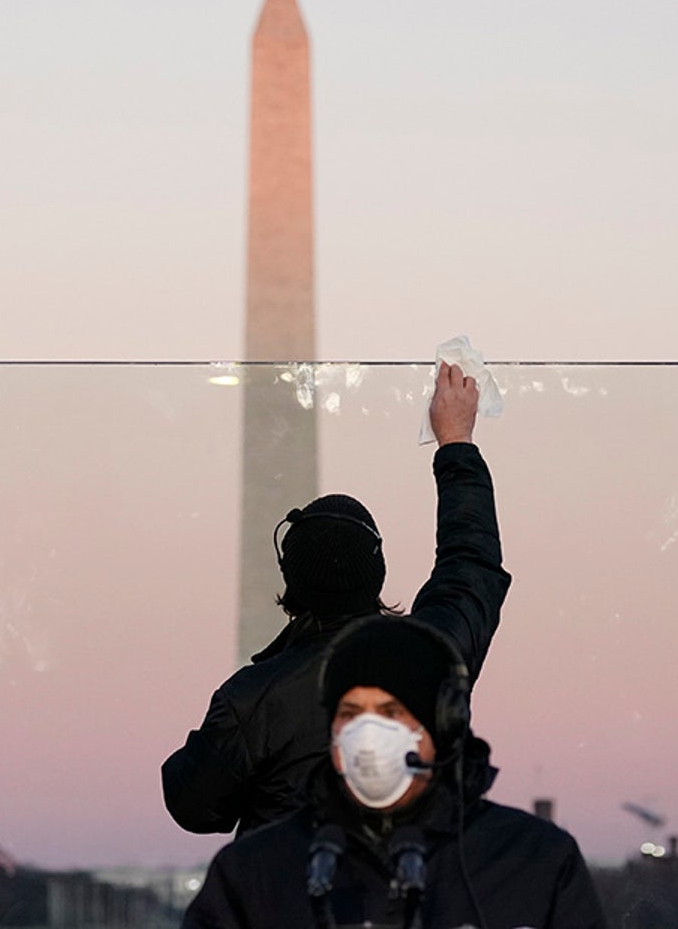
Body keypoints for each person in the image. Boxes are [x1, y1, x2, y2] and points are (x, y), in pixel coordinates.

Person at [162, 361, 511, 836]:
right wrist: (456, 442)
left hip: (294, 905)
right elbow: (471, 560)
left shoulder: (252, 699)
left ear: (289, 583)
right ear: (377, 572)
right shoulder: (435, 654)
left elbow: (196, 808)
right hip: (417, 901)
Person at [181, 617, 606, 929]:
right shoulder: (254, 872)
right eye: (350, 714)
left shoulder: (536, 861)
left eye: (391, 713)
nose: (368, 735)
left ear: (443, 726)